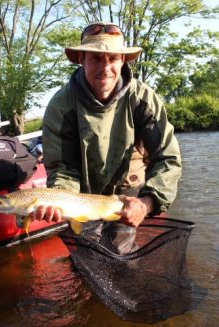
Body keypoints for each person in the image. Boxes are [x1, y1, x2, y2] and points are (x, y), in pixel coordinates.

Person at [34, 21, 182, 253]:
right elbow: (62, 167)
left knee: (121, 249)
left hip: (128, 188)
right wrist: (59, 200)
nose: (105, 68)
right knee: (89, 252)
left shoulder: (143, 98)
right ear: (82, 60)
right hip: (81, 193)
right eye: (95, 59)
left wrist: (147, 202)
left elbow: (167, 158)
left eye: (112, 58)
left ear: (123, 60)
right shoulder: (61, 105)